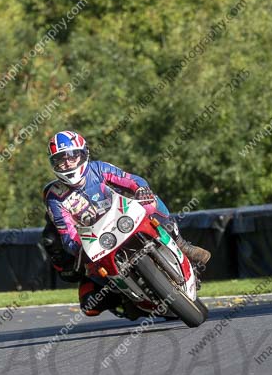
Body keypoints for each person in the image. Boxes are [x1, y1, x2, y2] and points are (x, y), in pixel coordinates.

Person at [41, 130, 210, 317]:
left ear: (83, 154)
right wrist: (80, 248)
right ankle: (124, 299)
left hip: (122, 218)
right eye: (60, 159)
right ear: (53, 163)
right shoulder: (54, 196)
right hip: (96, 240)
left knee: (151, 201)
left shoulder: (98, 168)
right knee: (91, 302)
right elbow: (67, 233)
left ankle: (180, 243)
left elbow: (131, 180)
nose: (66, 163)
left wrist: (141, 189)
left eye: (71, 157)